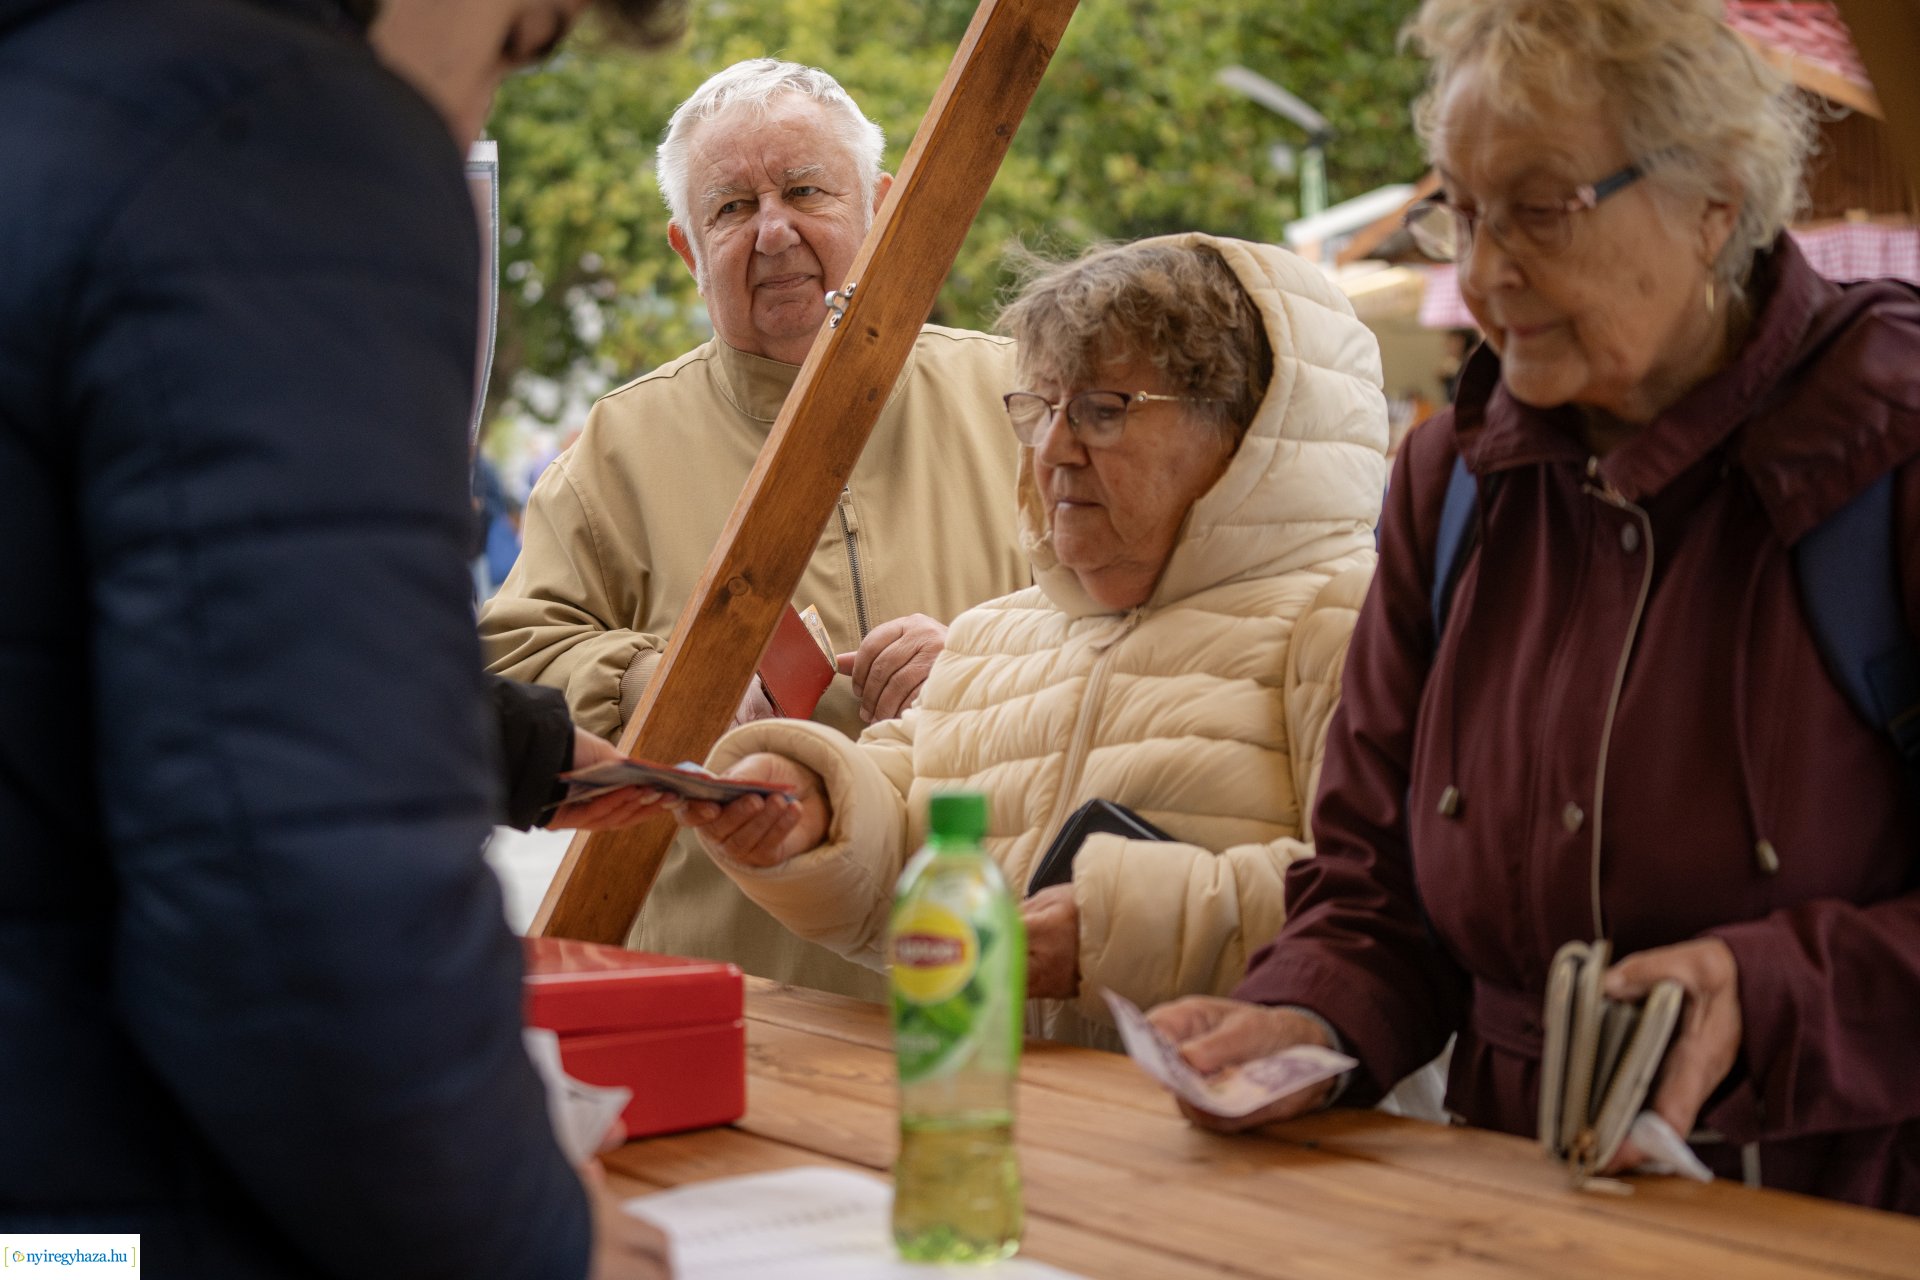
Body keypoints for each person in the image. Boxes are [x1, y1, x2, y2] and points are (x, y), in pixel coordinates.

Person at [1148, 0, 1920, 1215]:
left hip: (1846, 1217)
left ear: (1717, 199)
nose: (1485, 269)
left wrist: (1771, 991)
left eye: (1542, 208)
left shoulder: (1894, 447)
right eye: (1463, 208)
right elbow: (1372, 889)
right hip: (1515, 1221)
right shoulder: (1451, 484)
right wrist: (1297, 1010)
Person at [0, 0, 678, 1274]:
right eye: (518, 48)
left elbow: (116, 646)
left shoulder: (58, 104)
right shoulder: (272, 142)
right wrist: (536, 1236)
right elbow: (301, 906)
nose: (474, 123)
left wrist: (512, 748)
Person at [669, 234, 1388, 1048]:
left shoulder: (1354, 620)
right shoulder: (990, 638)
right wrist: (811, 807)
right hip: (1012, 1132)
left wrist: (1108, 934)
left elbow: (1389, 908)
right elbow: (904, 843)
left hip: (1268, 1152)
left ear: (1247, 428)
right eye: (1041, 408)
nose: (1051, 449)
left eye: (1102, 410)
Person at [480, 59, 1030, 998]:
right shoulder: (617, 445)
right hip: (735, 1000)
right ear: (687, 250)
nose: (774, 230)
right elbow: (509, 665)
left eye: (807, 190)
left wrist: (989, 658)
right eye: (732, 207)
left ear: (884, 207)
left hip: (1000, 982)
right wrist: (665, 681)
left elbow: (1145, 627)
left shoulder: (1023, 395)